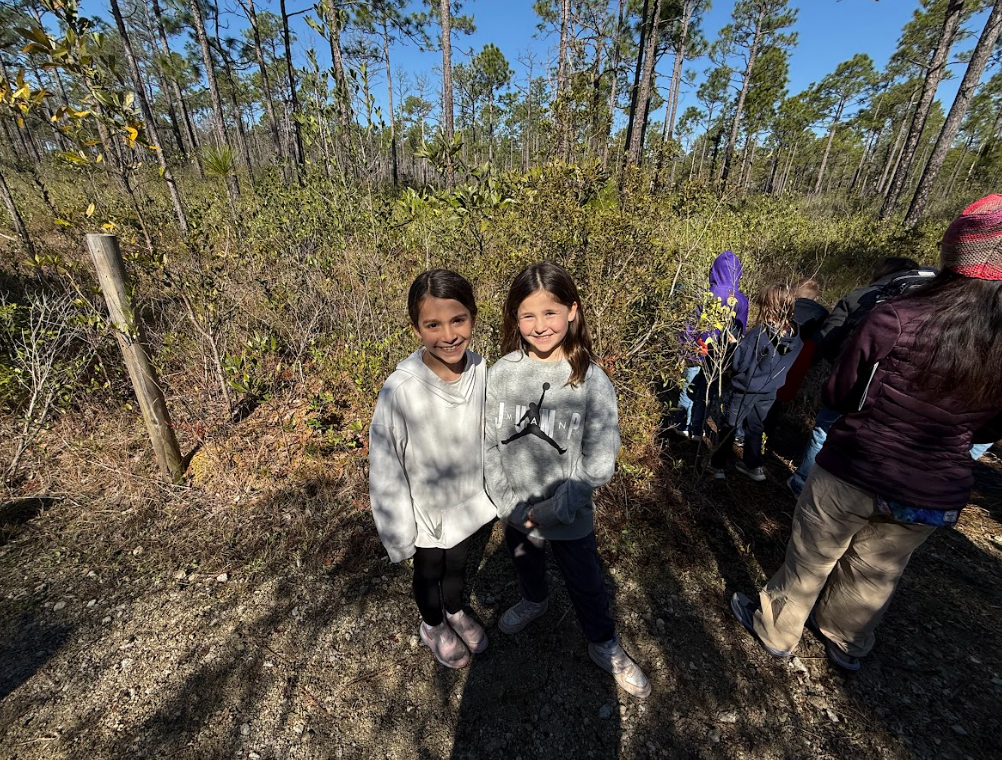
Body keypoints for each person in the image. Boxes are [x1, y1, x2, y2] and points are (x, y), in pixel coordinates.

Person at [730, 194, 1002, 672]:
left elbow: (839, 393)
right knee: (876, 572)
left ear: (951, 254)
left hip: (856, 465)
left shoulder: (896, 317)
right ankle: (845, 639)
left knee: (811, 558)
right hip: (930, 488)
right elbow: (991, 427)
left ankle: (776, 629)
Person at [484, 261, 651, 699]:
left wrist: (553, 510)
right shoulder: (500, 374)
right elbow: (487, 445)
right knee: (526, 563)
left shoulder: (592, 381)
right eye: (527, 315)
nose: (539, 326)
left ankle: (603, 641)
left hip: (569, 514)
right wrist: (510, 506)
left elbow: (599, 461)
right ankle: (534, 601)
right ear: (514, 317)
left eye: (550, 313)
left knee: (586, 581)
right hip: (517, 511)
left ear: (572, 311)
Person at [368, 270, 496, 670]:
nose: (449, 335)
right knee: (429, 571)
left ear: (473, 317)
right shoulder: (400, 390)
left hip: (466, 500)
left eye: (458, 320)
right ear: (416, 329)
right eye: (433, 325)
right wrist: (398, 533)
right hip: (425, 512)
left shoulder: (481, 370)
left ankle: (454, 610)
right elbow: (385, 465)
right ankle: (433, 624)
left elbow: (491, 432)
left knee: (458, 563)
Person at [786, 257, 937, 497]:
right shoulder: (930, 302)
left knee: (824, 431)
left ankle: (802, 484)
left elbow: (827, 336)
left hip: (852, 378)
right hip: (902, 391)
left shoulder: (861, 296)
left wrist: (808, 365)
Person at [711, 283, 803, 481]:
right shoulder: (795, 336)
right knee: (756, 425)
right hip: (770, 390)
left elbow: (739, 364)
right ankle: (753, 465)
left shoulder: (759, 334)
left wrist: (734, 346)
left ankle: (717, 465)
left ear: (767, 307)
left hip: (746, 388)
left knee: (730, 425)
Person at [676, 250, 750, 439]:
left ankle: (682, 424)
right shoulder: (741, 300)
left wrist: (683, 349)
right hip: (718, 356)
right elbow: (739, 330)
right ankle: (697, 429)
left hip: (696, 351)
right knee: (705, 393)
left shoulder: (705, 295)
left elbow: (690, 326)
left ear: (715, 270)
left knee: (689, 387)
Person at [763, 278, 830, 438]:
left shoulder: (786, 306)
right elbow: (821, 340)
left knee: (766, 390)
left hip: (777, 353)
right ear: (816, 297)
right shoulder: (822, 315)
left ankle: (753, 428)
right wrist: (813, 360)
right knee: (781, 395)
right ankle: (768, 431)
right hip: (801, 357)